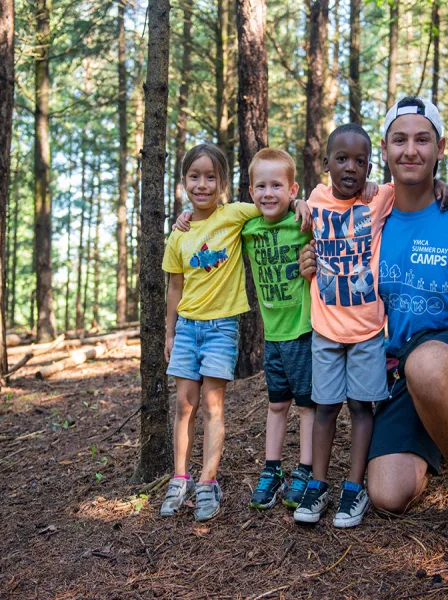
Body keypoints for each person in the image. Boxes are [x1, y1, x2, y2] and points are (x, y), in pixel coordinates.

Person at [299, 97, 448, 551]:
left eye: (422, 140)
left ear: (438, 151)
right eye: (399, 140)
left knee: (427, 366)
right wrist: (312, 259)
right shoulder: (368, 217)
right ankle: (436, 433)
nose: (410, 150)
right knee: (388, 495)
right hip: (391, 365)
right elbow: (324, 228)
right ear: (385, 153)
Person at [160, 143, 310, 522]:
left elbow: (272, 202)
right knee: (183, 406)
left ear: (224, 184)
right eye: (194, 177)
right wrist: (169, 333)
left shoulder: (235, 214)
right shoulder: (178, 234)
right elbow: (174, 287)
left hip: (221, 328)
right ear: (183, 182)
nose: (202, 185)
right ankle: (180, 478)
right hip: (187, 327)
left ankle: (208, 481)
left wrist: (302, 204)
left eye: (211, 177)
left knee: (212, 406)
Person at [292, 123, 391, 528]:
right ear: (327, 162)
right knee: (325, 407)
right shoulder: (314, 199)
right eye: (343, 159)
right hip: (326, 328)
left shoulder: (381, 197)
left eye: (361, 161)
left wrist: (440, 186)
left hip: (368, 329)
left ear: (370, 165)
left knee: (361, 407)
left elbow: (411, 187)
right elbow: (283, 202)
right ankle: (318, 484)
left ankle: (354, 487)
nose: (352, 168)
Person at [240, 148, 316, 510]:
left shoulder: (302, 223)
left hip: (301, 331)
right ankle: (272, 470)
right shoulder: (248, 227)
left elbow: (330, 218)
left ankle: (304, 468)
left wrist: (304, 205)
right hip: (272, 336)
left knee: (306, 406)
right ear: (251, 191)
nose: (268, 193)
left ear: (291, 189)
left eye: (277, 186)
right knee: (276, 404)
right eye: (261, 186)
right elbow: (214, 219)